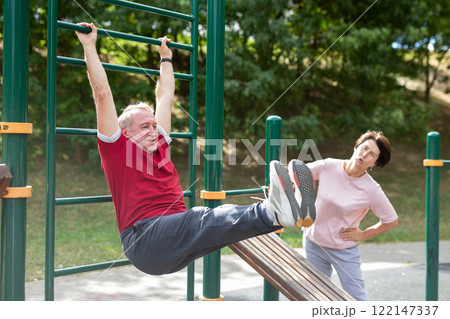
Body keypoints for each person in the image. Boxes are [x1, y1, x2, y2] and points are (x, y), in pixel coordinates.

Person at [75, 22, 315, 276]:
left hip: (174, 246)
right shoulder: (116, 150)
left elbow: (164, 97)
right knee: (200, 216)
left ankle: (287, 211)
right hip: (144, 239)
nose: (153, 131)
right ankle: (274, 212)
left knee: (217, 226)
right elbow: (102, 94)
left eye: (154, 125)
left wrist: (166, 59)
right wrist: (89, 45)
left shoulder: (160, 147)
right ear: (126, 133)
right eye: (145, 126)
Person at [299, 131, 399, 301]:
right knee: (316, 296)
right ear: (356, 146)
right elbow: (299, 173)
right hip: (313, 242)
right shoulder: (329, 166)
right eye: (364, 148)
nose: (364, 154)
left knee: (357, 298)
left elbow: (391, 221)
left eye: (371, 154)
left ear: (374, 163)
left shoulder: (372, 190)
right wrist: (301, 200)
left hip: (343, 250)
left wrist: (363, 234)